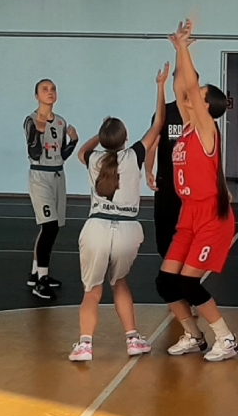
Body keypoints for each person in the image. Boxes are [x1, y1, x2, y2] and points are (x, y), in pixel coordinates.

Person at [68, 65, 169, 363]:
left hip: (96, 230)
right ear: (125, 138)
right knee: (120, 282)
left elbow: (81, 151)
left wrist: (100, 134)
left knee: (92, 290)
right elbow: (159, 123)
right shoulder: (134, 154)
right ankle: (133, 339)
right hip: (128, 230)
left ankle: (85, 345)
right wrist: (160, 86)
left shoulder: (94, 159)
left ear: (103, 140)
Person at [158, 19, 238, 362]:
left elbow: (190, 87)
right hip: (188, 214)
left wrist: (182, 48)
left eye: (199, 95)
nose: (192, 96)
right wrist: (179, 51)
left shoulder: (208, 130)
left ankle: (227, 338)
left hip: (210, 216)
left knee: (188, 284)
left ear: (207, 106)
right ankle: (194, 335)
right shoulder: (189, 125)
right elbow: (182, 86)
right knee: (166, 283)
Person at [25, 79, 77, 299]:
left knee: (51, 226)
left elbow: (61, 155)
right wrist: (38, 133)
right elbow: (34, 152)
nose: (50, 92)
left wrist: (73, 141)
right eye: (45, 89)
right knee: (49, 226)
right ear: (36, 96)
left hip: (57, 175)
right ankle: (41, 280)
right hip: (40, 175)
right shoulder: (31, 120)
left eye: (53, 89)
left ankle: (35, 273)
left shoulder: (61, 122)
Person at [145, 76, 185, 259]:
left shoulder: (200, 115)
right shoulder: (165, 113)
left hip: (190, 185)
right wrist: (148, 170)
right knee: (164, 232)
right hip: (167, 180)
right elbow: (152, 145)